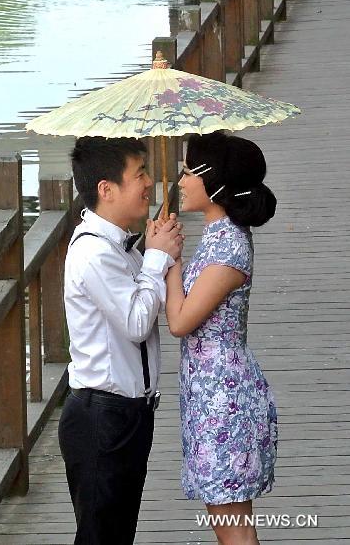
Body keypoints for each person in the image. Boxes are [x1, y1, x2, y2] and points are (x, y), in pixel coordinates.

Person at [59, 136, 184, 545]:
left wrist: (152, 251)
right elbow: (136, 321)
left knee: (116, 533)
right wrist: (156, 258)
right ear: (106, 189)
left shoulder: (120, 245)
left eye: (147, 171)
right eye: (140, 174)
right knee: (101, 536)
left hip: (128, 413)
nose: (148, 183)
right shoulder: (94, 253)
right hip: (102, 415)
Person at [164, 131, 278, 545]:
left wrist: (169, 259)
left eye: (189, 171)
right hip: (207, 390)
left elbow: (180, 321)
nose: (181, 181)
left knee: (234, 529)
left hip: (224, 398)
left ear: (214, 183)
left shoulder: (229, 247)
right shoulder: (216, 235)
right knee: (226, 521)